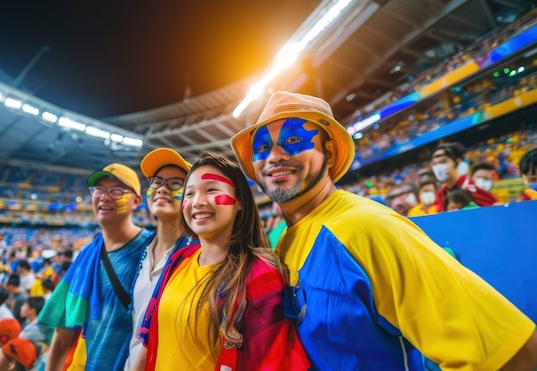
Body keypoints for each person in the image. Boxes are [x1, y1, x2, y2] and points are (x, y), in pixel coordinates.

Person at [229, 91, 537, 370]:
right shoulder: (283, 240)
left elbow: (510, 352)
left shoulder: (369, 228)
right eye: (263, 148)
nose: (274, 156)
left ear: (331, 153)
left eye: (294, 140)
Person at [135, 152, 309, 370]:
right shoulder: (180, 258)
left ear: (240, 202)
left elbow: (271, 362)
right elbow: (150, 338)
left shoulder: (261, 276)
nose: (197, 202)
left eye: (211, 190)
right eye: (189, 194)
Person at [38, 163, 155, 370]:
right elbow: (63, 332)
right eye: (98, 190)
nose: (104, 196)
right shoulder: (87, 255)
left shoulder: (153, 248)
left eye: (116, 190)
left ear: (136, 200)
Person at [123, 148, 193, 371]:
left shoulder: (198, 256)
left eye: (175, 183)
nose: (162, 188)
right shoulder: (141, 250)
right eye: (157, 181)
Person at [430, 142, 498, 209]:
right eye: (435, 164)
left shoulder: (472, 187)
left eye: (443, 162)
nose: (438, 167)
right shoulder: (440, 194)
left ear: (457, 162)